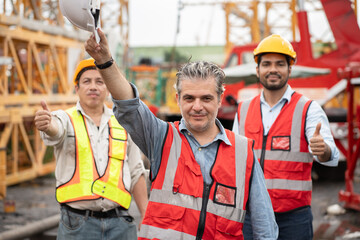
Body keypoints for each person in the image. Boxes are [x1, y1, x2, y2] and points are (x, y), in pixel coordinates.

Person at [84, 28, 278, 239]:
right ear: (177, 99)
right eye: (189, 98)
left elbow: (264, 225)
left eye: (206, 98)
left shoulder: (243, 152)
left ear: (220, 99)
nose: (197, 107)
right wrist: (104, 61)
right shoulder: (161, 137)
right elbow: (130, 106)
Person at [232, 34, 340, 240]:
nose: (273, 69)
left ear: (290, 69)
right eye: (267, 64)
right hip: (249, 215)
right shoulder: (243, 110)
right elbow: (233, 161)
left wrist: (322, 149)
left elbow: (329, 154)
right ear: (258, 69)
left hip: (293, 218)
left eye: (280, 64)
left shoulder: (308, 109)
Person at [34, 58, 148, 240]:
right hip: (77, 224)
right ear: (77, 88)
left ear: (108, 88)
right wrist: (47, 126)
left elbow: (136, 171)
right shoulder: (65, 118)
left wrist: (145, 214)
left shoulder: (123, 123)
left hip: (121, 223)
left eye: (99, 81)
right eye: (87, 81)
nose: (93, 87)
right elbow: (55, 130)